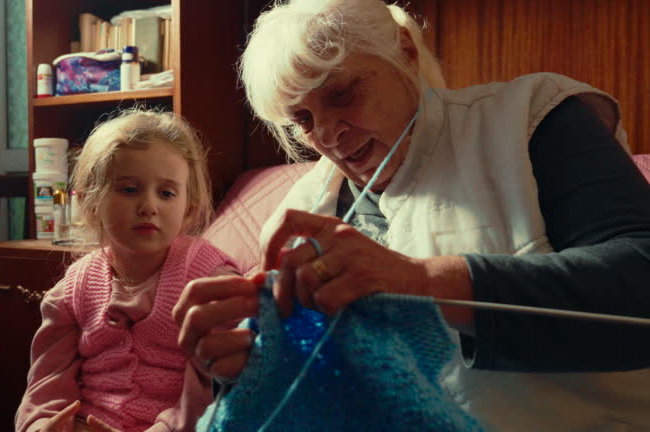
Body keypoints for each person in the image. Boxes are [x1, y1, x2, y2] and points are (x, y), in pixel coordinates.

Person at [172, 0, 650, 430]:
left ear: (405, 51)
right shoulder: (298, 215)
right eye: (302, 119)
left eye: (342, 93)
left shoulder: (531, 117)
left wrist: (421, 281)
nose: (328, 135)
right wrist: (246, 370)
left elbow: (639, 280)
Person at [16, 109, 237, 432]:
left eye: (166, 193)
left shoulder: (208, 282)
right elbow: (46, 387)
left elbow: (212, 391)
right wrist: (43, 426)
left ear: (188, 207)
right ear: (92, 202)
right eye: (130, 189)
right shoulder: (71, 292)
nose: (149, 206)